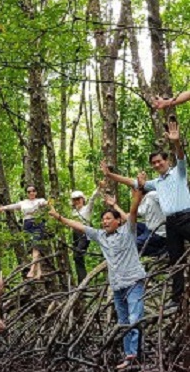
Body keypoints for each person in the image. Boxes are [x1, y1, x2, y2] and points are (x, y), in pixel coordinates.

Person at [49, 187, 146, 370]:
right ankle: (130, 355)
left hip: (133, 282)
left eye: (108, 219)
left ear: (118, 221)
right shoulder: (101, 236)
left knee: (135, 319)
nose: (105, 222)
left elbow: (133, 211)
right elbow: (79, 226)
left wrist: (136, 193)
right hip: (117, 286)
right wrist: (58, 217)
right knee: (123, 322)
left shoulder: (128, 231)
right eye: (103, 220)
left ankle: (135, 356)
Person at [101, 117, 190, 310]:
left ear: (166, 161)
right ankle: (177, 300)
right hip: (171, 224)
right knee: (175, 262)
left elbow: (181, 157)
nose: (157, 165)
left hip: (186, 217)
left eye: (159, 161)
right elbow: (133, 183)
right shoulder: (156, 183)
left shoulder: (178, 173)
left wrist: (175, 141)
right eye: (154, 164)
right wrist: (110, 176)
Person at [0, 187, 48, 279]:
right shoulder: (23, 203)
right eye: (29, 192)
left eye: (33, 191)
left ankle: (32, 270)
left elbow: (46, 203)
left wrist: (49, 203)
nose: (31, 193)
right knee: (33, 249)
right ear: (27, 193)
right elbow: (13, 206)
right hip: (27, 224)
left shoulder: (40, 200)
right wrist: (2, 208)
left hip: (37, 223)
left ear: (36, 192)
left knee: (36, 246)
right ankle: (39, 272)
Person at [71, 183, 103, 283]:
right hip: (75, 234)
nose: (77, 201)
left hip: (84, 234)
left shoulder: (86, 209)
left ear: (82, 199)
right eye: (75, 200)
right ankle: (82, 281)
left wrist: (99, 187)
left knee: (78, 255)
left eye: (79, 199)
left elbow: (93, 198)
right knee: (77, 258)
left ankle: (83, 282)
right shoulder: (73, 212)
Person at [134, 179, 167, 257]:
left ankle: (160, 251)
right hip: (149, 230)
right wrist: (114, 206)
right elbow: (129, 216)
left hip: (159, 234)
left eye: (133, 191)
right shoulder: (142, 203)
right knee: (132, 225)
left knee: (133, 245)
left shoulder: (152, 195)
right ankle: (147, 242)